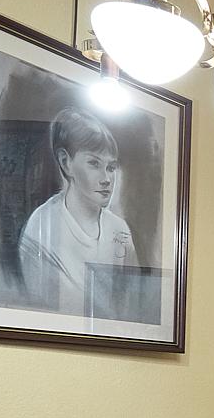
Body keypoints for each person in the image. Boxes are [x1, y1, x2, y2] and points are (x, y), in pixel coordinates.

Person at [15, 107, 137, 316]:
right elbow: (36, 306)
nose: (106, 179)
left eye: (110, 167)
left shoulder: (119, 229)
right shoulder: (42, 224)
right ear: (66, 162)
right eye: (94, 163)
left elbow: (130, 303)